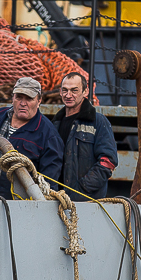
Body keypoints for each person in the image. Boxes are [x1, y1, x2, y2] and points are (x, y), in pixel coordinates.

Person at [0, 77, 64, 199]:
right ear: (12, 98)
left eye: (29, 99)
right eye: (19, 97)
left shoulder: (49, 135)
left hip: (17, 203)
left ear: (39, 101)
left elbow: (49, 181)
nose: (23, 103)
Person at [51, 71, 117, 200]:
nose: (68, 95)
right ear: (60, 92)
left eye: (74, 90)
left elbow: (108, 162)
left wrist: (82, 189)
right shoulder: (54, 124)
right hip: (55, 199)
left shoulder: (98, 122)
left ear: (85, 92)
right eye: (65, 90)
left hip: (86, 201)